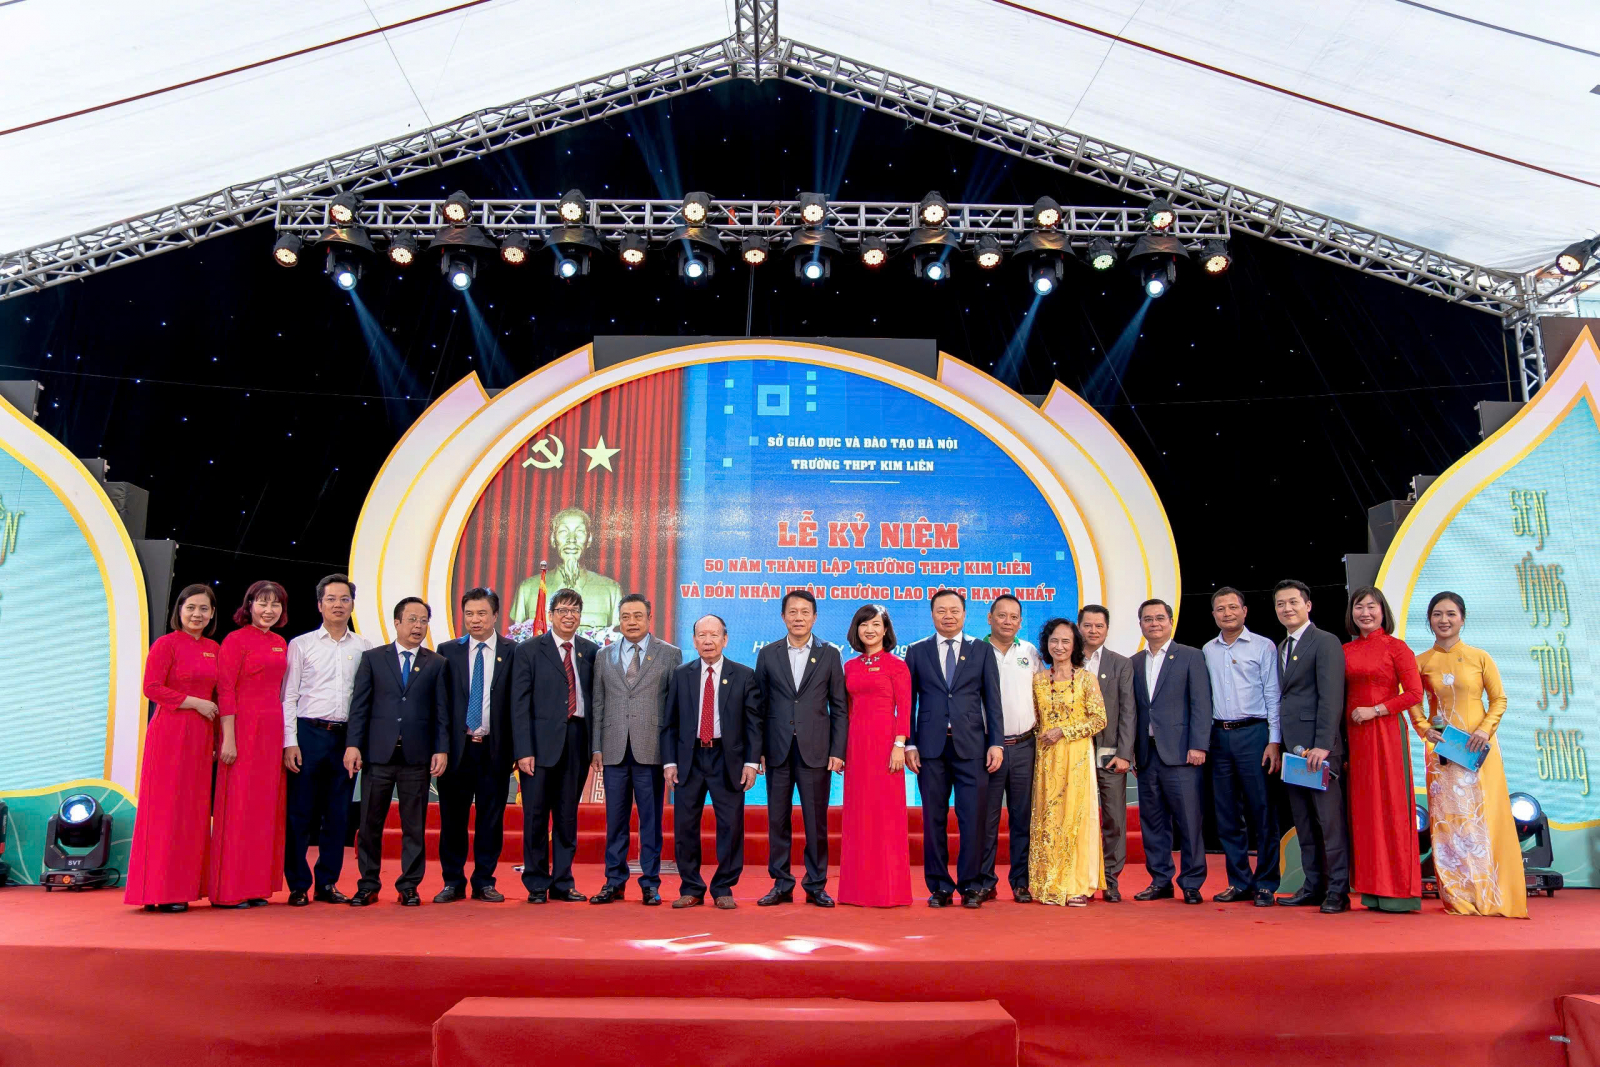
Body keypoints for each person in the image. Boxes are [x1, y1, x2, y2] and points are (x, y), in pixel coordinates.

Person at [1413, 592, 1528, 919]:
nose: (1444, 620)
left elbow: (1499, 699)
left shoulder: (1480, 657)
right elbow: (1413, 703)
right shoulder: (1420, 662)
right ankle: (1459, 895)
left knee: (1483, 818)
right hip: (1443, 756)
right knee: (1449, 822)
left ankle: (1490, 892)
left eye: (1451, 614)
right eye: (1437, 614)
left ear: (1462, 619)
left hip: (1478, 751)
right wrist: (1425, 729)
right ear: (1429, 619)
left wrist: (1484, 730)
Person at [344, 597, 449, 907]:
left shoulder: (436, 663)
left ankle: (409, 885)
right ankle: (368, 884)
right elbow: (360, 707)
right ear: (397, 622)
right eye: (412, 619)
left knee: (414, 825)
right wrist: (353, 744)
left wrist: (441, 749)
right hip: (378, 754)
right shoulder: (373, 659)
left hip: (417, 756)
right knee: (370, 823)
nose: (418, 626)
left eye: (423, 621)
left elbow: (442, 712)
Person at [905, 589, 1004, 908]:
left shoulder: (982, 650)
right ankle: (939, 887)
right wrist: (909, 743)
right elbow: (908, 703)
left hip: (972, 748)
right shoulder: (917, 651)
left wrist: (996, 743)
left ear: (964, 614)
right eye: (941, 611)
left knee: (972, 818)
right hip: (930, 749)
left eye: (954, 611)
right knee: (933, 819)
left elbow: (993, 701)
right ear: (932, 615)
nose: (948, 616)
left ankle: (971, 885)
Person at [125, 584, 221, 912]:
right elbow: (151, 688)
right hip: (169, 735)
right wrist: (194, 702)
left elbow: (219, 696)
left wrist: (217, 739)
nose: (197, 614)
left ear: (212, 614)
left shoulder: (214, 648)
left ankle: (182, 888)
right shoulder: (166, 645)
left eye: (204, 609)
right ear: (179, 610)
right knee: (164, 811)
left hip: (201, 738)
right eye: (191, 607)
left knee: (192, 814)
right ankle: (157, 891)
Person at [280, 573, 372, 907]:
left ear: (352, 605)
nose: (338, 605)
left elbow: (366, 701)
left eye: (344, 599)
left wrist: (358, 743)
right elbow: (289, 696)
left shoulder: (364, 647)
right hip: (308, 734)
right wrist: (290, 742)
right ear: (319, 604)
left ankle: (327, 883)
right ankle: (298, 885)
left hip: (346, 739)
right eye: (331, 599)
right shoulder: (301, 644)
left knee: (337, 815)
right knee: (300, 814)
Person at [754, 590, 848, 907]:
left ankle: (816, 884)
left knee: (815, 822)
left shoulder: (830, 654)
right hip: (777, 749)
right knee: (777, 820)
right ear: (783, 617)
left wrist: (838, 750)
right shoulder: (768, 654)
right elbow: (758, 707)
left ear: (814, 617)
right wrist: (757, 750)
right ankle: (781, 884)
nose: (798, 617)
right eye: (792, 612)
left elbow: (840, 707)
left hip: (816, 750)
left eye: (805, 612)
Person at [661, 614, 762, 908]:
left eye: (714, 635)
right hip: (689, 758)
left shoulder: (743, 675)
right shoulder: (681, 674)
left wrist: (751, 762)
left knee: (730, 825)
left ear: (725, 639)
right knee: (685, 826)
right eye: (702, 635)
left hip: (727, 759)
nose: (708, 641)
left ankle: (723, 888)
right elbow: (669, 722)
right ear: (694, 641)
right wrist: (669, 762)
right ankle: (691, 887)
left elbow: (753, 723)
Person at [588, 593, 681, 905]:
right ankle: (613, 881)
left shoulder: (669, 654)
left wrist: (671, 755)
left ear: (649, 618)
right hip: (613, 749)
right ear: (619, 620)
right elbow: (598, 703)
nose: (631, 622)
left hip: (651, 750)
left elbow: (674, 708)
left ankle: (650, 883)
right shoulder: (604, 655)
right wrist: (596, 746)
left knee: (650, 822)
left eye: (638, 616)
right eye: (626, 616)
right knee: (615, 821)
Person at [510, 587, 597, 903]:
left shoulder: (591, 651)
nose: (568, 616)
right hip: (538, 747)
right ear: (550, 615)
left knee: (566, 817)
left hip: (577, 741)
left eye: (574, 610)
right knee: (535, 817)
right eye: (562, 610)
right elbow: (519, 704)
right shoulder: (529, 650)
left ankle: (563, 882)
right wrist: (523, 750)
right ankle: (536, 883)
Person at [208, 580, 291, 909]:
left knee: (264, 808)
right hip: (242, 728)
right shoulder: (235, 640)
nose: (269, 610)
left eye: (276, 604)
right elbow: (225, 690)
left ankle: (256, 886)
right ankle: (229, 889)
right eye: (263, 603)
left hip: (272, 730)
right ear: (249, 605)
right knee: (238, 807)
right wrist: (228, 737)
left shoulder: (280, 643)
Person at [1344, 586, 1425, 913]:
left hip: (1386, 733)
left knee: (1390, 808)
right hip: (1355, 737)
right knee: (1364, 812)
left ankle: (1399, 892)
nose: (1365, 613)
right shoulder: (1345, 650)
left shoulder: (1396, 647)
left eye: (1371, 607)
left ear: (1383, 611)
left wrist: (1376, 710)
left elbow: (1414, 693)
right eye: (1359, 607)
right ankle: (1371, 889)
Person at [1201, 587, 1283, 907]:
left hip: (1255, 734)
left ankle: (1266, 884)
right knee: (1227, 814)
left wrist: (1274, 740)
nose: (1227, 613)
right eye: (1220, 609)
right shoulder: (1207, 650)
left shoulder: (1263, 646)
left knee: (1263, 810)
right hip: (1219, 736)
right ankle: (1239, 881)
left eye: (1233, 607)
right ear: (1213, 615)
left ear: (1244, 611)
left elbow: (1273, 695)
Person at [1273, 579, 1350, 913]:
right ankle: (1314, 885)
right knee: (1304, 823)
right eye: (1280, 604)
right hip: (1293, 751)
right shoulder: (1282, 646)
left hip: (1319, 752)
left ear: (1308, 605)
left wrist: (1323, 745)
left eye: (1293, 602)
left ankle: (1338, 891)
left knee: (1329, 823)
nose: (1287, 608)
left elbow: (1331, 697)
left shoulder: (1325, 641)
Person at [436, 587, 516, 903]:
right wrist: (441, 747)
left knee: (490, 819)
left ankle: (484, 881)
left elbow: (517, 706)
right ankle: (452, 882)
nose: (475, 620)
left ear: (495, 615)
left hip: (494, 749)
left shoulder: (513, 651)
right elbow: (441, 706)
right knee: (452, 819)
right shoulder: (447, 651)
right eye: (469, 614)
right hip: (458, 749)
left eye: (482, 613)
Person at [1130, 598, 1211, 905]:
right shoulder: (1134, 662)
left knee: (1189, 821)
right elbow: (1134, 711)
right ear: (1140, 624)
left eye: (1159, 618)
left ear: (1171, 621)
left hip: (1182, 754)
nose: (1154, 624)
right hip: (1147, 754)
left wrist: (1198, 745)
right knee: (1153, 822)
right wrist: (1132, 751)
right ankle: (1160, 880)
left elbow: (1201, 703)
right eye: (1148, 619)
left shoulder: (1190, 656)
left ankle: (1191, 882)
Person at [837, 604, 913, 908]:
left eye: (876, 624)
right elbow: (845, 711)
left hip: (886, 746)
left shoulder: (897, 665)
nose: (869, 629)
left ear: (885, 630)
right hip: (857, 747)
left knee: (885, 817)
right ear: (856, 629)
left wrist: (899, 744)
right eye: (864, 624)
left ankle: (889, 891)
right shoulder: (850, 666)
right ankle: (856, 891)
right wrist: (840, 750)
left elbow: (904, 708)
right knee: (858, 816)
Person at [1029, 617, 1106, 906]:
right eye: (1054, 641)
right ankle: (1048, 883)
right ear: (1046, 644)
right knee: (1048, 819)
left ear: (1075, 646)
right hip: (1047, 758)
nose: (1059, 646)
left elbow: (1099, 719)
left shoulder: (1086, 679)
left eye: (1065, 641)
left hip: (1077, 757)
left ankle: (1076, 885)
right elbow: (1035, 720)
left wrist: (1064, 731)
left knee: (1076, 818)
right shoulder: (1038, 680)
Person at [979, 594, 1039, 903]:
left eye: (1014, 617)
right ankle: (985, 881)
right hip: (988, 747)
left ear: (1020, 622)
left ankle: (1021, 881)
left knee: (1022, 818)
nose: (1007, 621)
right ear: (989, 618)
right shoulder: (976, 651)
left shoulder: (1029, 651)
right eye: (1001, 615)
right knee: (986, 819)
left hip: (1024, 746)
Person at [1079, 604, 1134, 903]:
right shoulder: (1066, 661)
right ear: (1079, 627)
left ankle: (1110, 879)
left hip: (1110, 755)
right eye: (1088, 625)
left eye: (1099, 626)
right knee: (1078, 818)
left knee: (1114, 819)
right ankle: (1080, 879)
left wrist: (1125, 753)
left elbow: (1128, 711)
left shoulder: (1120, 664)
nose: (1093, 630)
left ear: (1107, 629)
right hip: (1074, 755)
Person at [510, 507, 622, 630]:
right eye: (563, 531)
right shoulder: (528, 589)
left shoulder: (611, 591)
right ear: (553, 539)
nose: (571, 539)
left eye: (580, 532)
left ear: (589, 540)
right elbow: (518, 635)